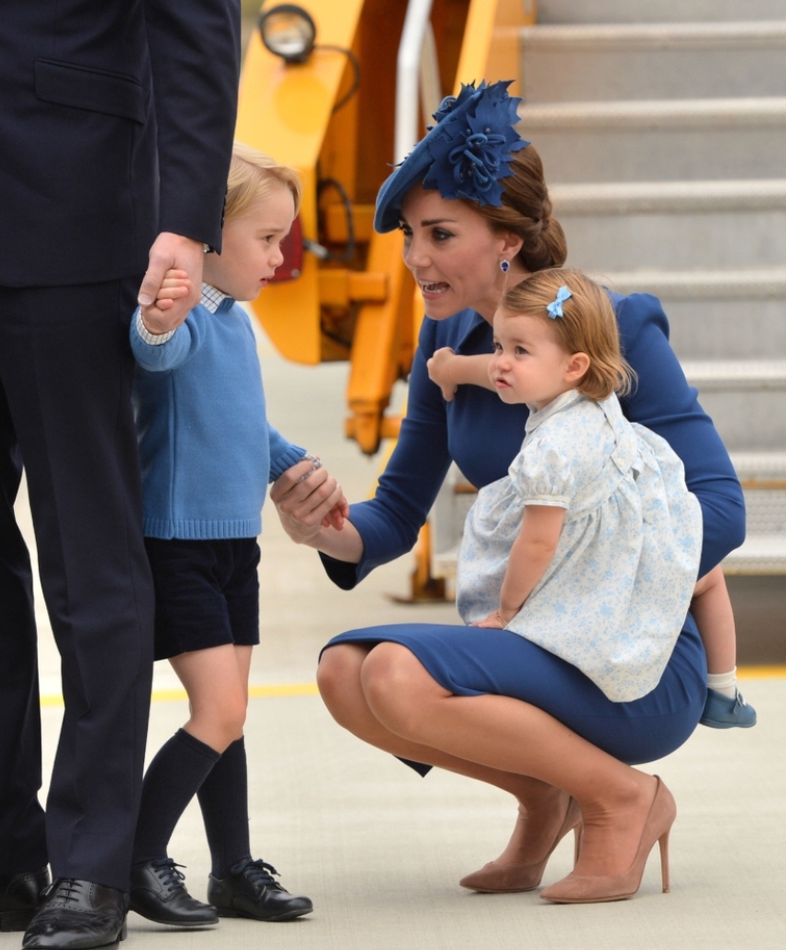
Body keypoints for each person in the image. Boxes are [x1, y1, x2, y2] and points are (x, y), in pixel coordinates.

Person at [268, 81, 747, 902]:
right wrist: (327, 531)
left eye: (439, 234)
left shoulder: (609, 328)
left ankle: (624, 798)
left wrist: (593, 581)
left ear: (507, 239)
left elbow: (723, 506)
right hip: (531, 637)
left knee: (395, 675)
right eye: (411, 236)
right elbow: (394, 513)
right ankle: (542, 796)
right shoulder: (445, 340)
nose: (415, 258)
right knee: (347, 673)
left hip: (627, 654)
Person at [0, 2, 240, 948]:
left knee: (89, 553)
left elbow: (196, 29)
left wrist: (185, 221)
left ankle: (91, 862)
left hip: (74, 211)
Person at [127, 143, 346, 929]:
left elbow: (242, 425)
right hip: (180, 544)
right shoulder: (186, 317)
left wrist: (295, 464)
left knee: (232, 714)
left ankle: (233, 867)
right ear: (207, 236)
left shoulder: (236, 324)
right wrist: (158, 314)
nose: (280, 255)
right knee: (216, 712)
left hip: (233, 546)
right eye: (267, 238)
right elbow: (154, 353)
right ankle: (136, 856)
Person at [429, 283, 756, 727]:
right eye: (498, 345)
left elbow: (539, 543)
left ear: (574, 365)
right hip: (644, 514)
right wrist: (452, 368)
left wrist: (507, 610)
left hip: (597, 548)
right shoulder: (596, 395)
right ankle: (723, 689)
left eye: (519, 351)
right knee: (707, 577)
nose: (501, 361)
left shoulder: (552, 449)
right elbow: (501, 368)